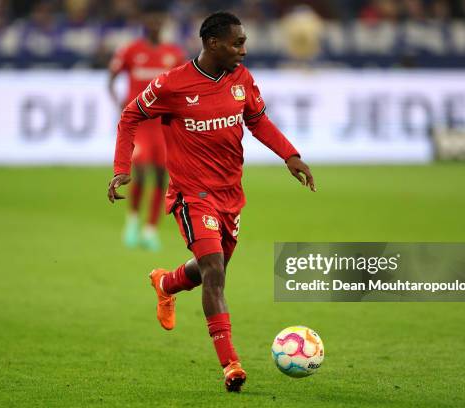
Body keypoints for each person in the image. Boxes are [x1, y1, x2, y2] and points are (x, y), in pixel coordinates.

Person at [108, 11, 315, 392]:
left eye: (244, 42)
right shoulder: (172, 84)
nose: (245, 50)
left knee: (207, 272)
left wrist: (290, 155)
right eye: (238, 43)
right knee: (216, 272)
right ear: (212, 43)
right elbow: (130, 115)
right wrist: (122, 167)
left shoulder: (241, 80)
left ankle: (167, 283)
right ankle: (231, 364)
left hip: (230, 195)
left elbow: (258, 121)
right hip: (191, 195)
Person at [108, 8, 185, 251]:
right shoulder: (131, 51)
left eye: (158, 20)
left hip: (162, 124)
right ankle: (131, 222)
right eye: (150, 20)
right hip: (139, 123)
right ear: (144, 23)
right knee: (139, 171)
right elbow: (111, 78)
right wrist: (119, 102)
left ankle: (150, 229)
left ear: (162, 23)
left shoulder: (174, 54)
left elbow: (183, 85)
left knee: (162, 176)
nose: (154, 24)